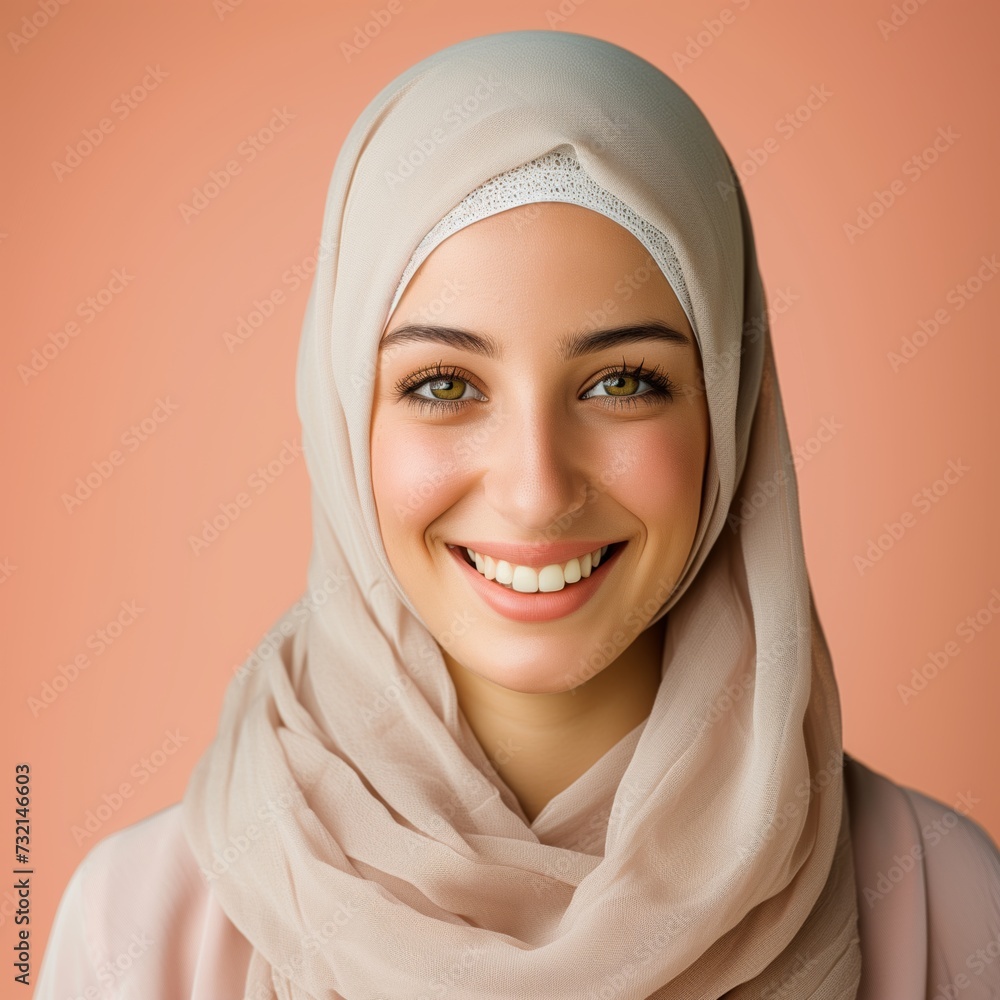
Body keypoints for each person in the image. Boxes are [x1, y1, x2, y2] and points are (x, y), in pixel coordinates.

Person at [35, 29, 1000, 1000]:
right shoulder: (138, 925)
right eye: (445, 382)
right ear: (341, 419)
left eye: (623, 381)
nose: (537, 488)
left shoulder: (938, 898)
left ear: (729, 404)